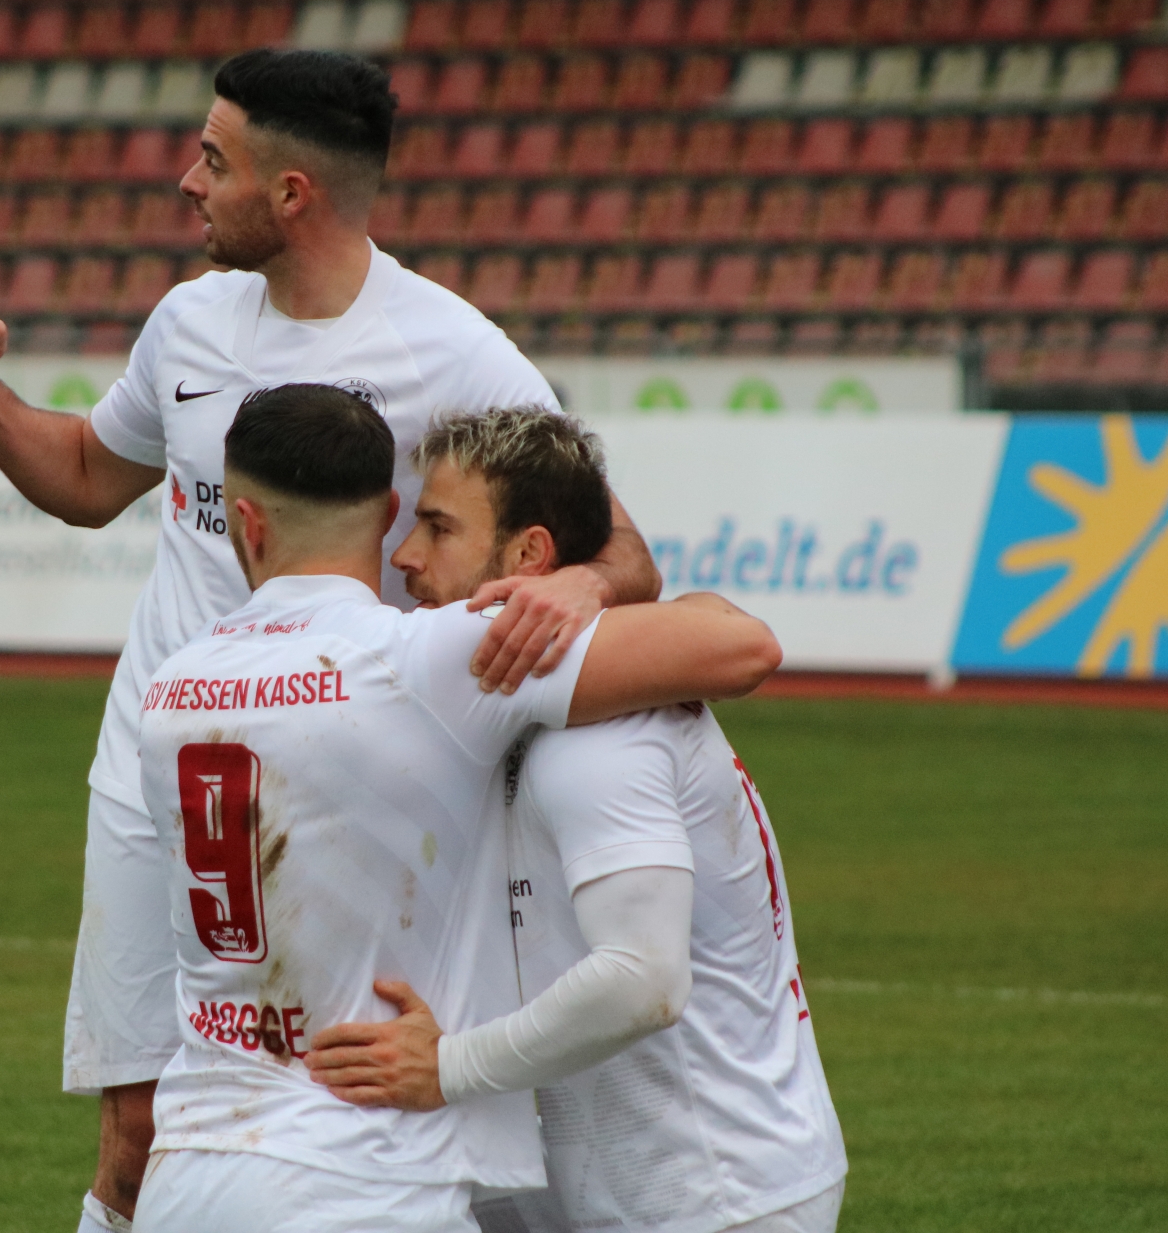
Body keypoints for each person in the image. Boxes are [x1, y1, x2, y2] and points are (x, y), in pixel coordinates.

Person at [0, 49, 662, 1231]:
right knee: (138, 1134)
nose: (186, 182)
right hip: (163, 772)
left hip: (348, 795)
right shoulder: (189, 321)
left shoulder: (452, 351)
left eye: (214, 159)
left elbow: (622, 550)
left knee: (364, 1106)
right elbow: (91, 477)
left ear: (292, 191)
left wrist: (584, 583)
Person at [129, 385, 779, 1233]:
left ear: (246, 525)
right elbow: (740, 647)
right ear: (384, 515)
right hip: (361, 1177)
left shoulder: (170, 685)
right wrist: (587, 585)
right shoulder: (428, 658)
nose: (410, 554)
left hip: (189, 1163)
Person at [304, 408, 849, 1233]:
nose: (404, 556)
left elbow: (643, 981)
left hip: (711, 1196)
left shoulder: (599, 739)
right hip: (637, 1187)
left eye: (438, 527)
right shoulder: (544, 703)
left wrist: (445, 1067)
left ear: (529, 556)